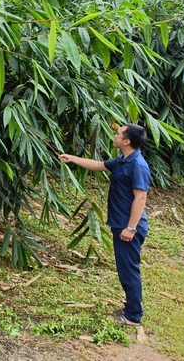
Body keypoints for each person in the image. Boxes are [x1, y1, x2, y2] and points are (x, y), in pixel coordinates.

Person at [59, 123, 150, 326]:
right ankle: (130, 309)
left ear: (126, 141)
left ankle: (133, 316)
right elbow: (99, 165)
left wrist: (131, 228)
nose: (114, 135)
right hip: (121, 224)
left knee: (128, 270)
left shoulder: (138, 165)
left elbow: (140, 198)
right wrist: (72, 158)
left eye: (118, 134)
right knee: (125, 269)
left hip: (129, 227)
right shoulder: (123, 160)